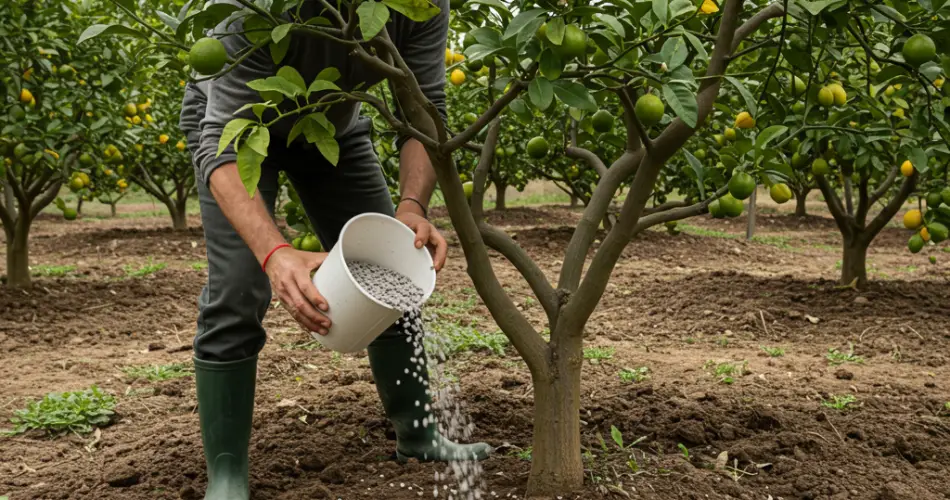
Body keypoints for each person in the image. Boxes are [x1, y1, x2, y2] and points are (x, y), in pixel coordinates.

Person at [179, 1, 490, 497]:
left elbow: (425, 104)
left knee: (394, 263)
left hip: (332, 127)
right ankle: (227, 473)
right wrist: (275, 253)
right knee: (238, 288)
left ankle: (418, 434)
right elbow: (221, 143)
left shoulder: (422, 5)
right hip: (236, 128)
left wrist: (412, 206)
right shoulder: (256, 9)